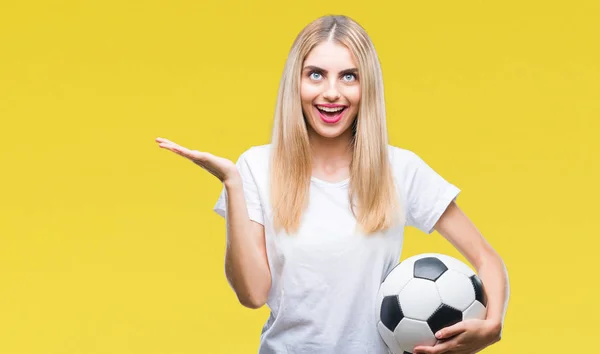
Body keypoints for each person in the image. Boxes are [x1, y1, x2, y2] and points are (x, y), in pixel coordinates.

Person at [155, 14, 509, 354]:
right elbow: (252, 294)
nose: (331, 92)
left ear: (366, 84)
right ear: (297, 81)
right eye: (316, 75)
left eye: (349, 76)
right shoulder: (255, 166)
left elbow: (488, 260)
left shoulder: (400, 169)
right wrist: (232, 183)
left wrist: (492, 325)